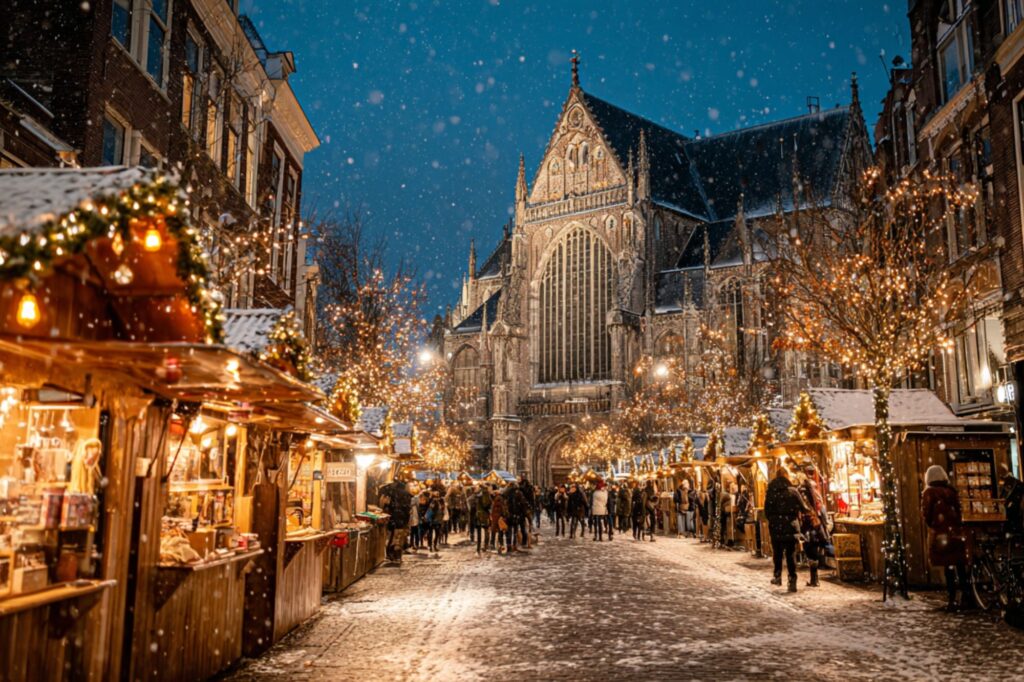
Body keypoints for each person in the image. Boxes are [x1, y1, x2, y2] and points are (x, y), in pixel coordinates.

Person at [922, 465, 972, 611]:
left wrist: (934, 525)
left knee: (948, 567)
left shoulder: (929, 492)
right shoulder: (951, 491)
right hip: (955, 533)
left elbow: (927, 514)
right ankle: (966, 596)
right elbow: (958, 511)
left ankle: (951, 599)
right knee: (960, 564)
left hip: (942, 535)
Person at [764, 467, 808, 592]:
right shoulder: (793, 491)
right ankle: (792, 580)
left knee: (777, 553)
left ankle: (777, 576)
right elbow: (803, 507)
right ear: (786, 476)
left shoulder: (771, 491)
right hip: (790, 525)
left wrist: (774, 520)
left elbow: (766, 510)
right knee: (790, 554)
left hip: (776, 527)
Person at [798, 466, 830, 587]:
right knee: (814, 551)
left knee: (810, 551)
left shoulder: (805, 498)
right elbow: (822, 512)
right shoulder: (817, 498)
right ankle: (814, 578)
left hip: (810, 527)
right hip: (817, 527)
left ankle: (814, 579)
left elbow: (803, 511)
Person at [381, 479, 412, 563]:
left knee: (391, 538)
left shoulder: (391, 494)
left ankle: (390, 554)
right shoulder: (406, 495)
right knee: (399, 538)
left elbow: (385, 505)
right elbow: (408, 508)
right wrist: (407, 520)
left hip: (392, 519)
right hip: (402, 520)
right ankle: (397, 556)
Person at [999, 464, 1023, 537]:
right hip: (1010, 505)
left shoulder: (1012, 481)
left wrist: (1010, 502)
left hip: (1011, 506)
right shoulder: (1010, 480)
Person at [489, 486, 508, 554]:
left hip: (497, 518)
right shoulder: (496, 498)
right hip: (496, 517)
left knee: (497, 532)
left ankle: (497, 545)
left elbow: (501, 509)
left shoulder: (498, 499)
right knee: (498, 532)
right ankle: (498, 544)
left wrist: (502, 515)